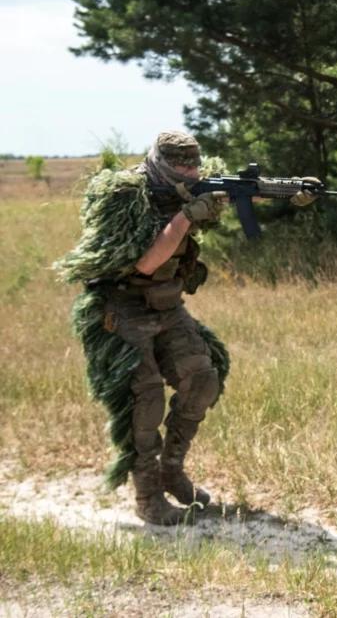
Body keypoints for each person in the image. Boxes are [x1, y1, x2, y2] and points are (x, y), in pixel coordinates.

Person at [56, 131, 316, 526]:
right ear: (161, 162)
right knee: (145, 401)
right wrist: (186, 217)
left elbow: (241, 189)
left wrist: (291, 191)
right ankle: (147, 496)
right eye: (181, 165)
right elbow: (144, 263)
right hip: (123, 307)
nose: (190, 171)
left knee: (202, 378)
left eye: (194, 164)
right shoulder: (127, 196)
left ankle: (171, 470)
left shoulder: (193, 183)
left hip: (167, 304)